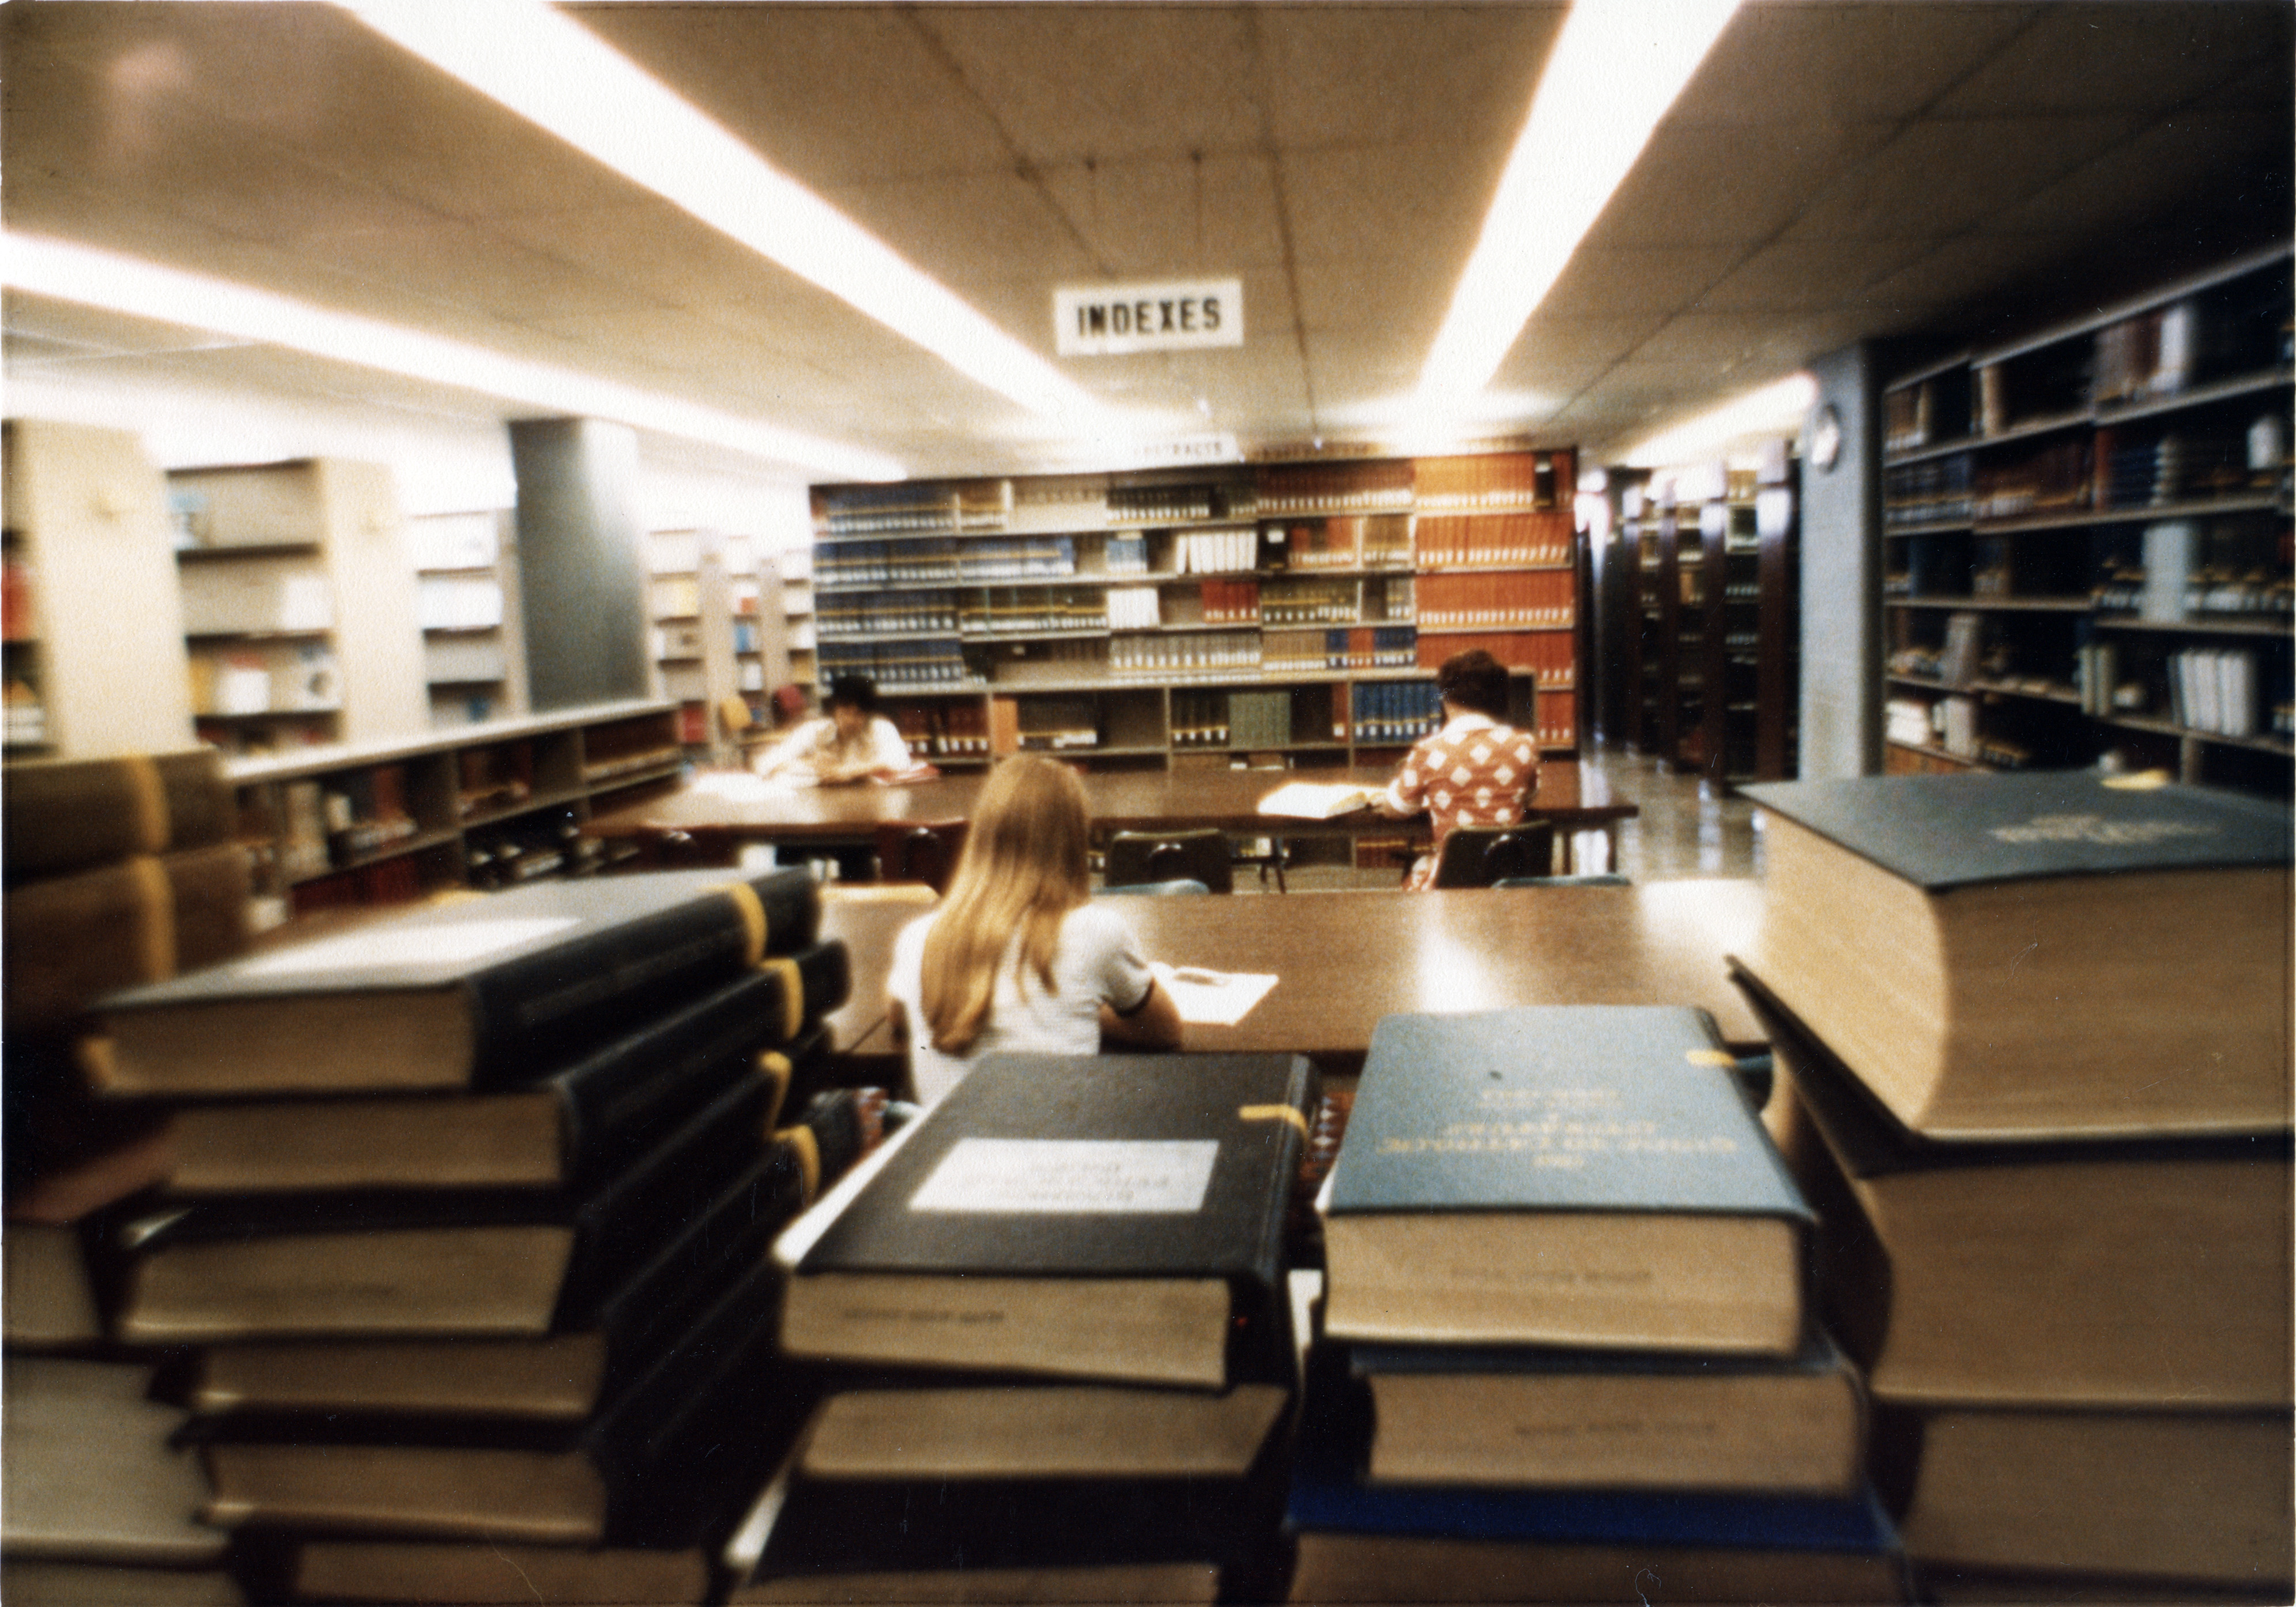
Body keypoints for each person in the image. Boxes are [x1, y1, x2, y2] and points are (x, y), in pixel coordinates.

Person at [886, 755, 1183, 1105]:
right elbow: (1166, 1032)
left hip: (948, 1155)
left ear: (981, 836)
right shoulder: (1098, 931)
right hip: (1056, 1153)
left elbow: (897, 1017)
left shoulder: (918, 937)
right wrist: (1091, 1009)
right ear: (1075, 841)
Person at [1378, 648, 1542, 891]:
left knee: (1415, 875)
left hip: (1450, 884)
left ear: (1446, 700)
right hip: (1510, 885)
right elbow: (1530, 795)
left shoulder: (1429, 751)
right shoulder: (1525, 745)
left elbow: (1396, 808)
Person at [752, 674, 913, 784]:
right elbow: (764, 763)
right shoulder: (816, 730)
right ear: (834, 712)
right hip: (824, 804)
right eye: (845, 713)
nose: (851, 720)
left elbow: (901, 761)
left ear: (868, 714)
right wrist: (808, 764)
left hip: (872, 804)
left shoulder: (880, 728)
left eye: (858, 714)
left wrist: (851, 770)